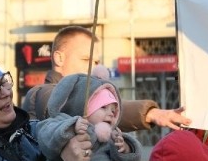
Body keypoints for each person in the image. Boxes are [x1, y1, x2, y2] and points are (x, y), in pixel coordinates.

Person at [22, 25, 191, 132]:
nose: (93, 67)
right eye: (86, 60)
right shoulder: (40, 94)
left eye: (96, 62)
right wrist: (150, 113)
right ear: (59, 58)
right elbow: (81, 104)